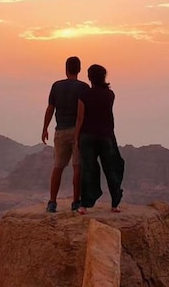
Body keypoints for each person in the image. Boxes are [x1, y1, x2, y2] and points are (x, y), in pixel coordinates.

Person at [74, 63, 124, 215]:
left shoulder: (84, 95)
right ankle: (115, 203)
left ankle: (84, 205)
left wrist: (76, 137)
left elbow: (80, 117)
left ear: (90, 77)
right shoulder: (110, 94)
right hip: (106, 135)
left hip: (87, 135)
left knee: (88, 168)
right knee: (112, 167)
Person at [41, 56, 89, 213]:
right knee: (77, 167)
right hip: (78, 131)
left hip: (60, 131)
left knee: (58, 167)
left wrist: (45, 128)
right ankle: (76, 202)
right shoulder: (84, 87)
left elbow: (50, 108)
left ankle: (52, 202)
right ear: (79, 69)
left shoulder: (56, 86)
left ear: (66, 68)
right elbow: (84, 113)